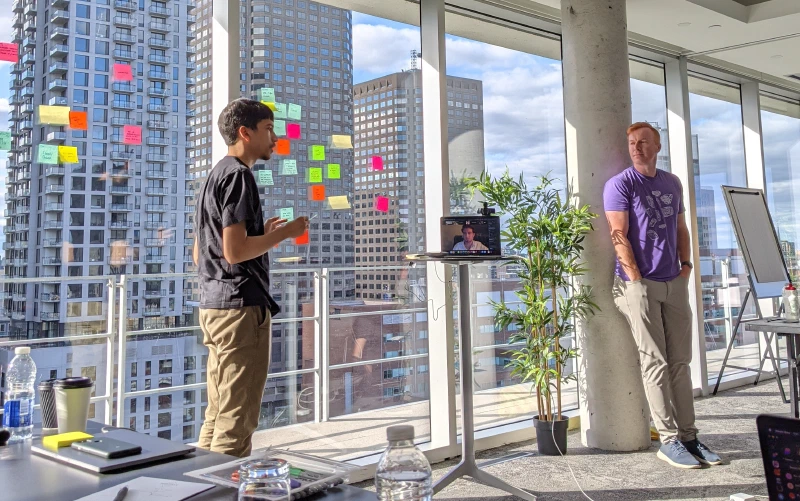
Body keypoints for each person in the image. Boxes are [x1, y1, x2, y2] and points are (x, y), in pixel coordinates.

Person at [193, 98, 309, 457]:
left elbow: (203, 251)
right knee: (237, 420)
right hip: (240, 309)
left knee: (217, 412)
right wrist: (286, 232)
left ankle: (198, 487)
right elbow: (235, 252)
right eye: (269, 129)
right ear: (245, 132)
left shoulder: (215, 175)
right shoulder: (239, 175)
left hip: (214, 306)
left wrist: (264, 232)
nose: (275, 138)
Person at [603, 122, 722, 469]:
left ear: (657, 146)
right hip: (635, 285)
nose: (636, 148)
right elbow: (618, 234)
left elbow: (681, 228)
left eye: (643, 142)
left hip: (674, 281)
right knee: (654, 362)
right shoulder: (620, 184)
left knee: (680, 363)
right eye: (631, 143)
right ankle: (669, 441)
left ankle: (689, 436)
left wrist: (685, 268)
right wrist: (636, 279)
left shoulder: (672, 183)